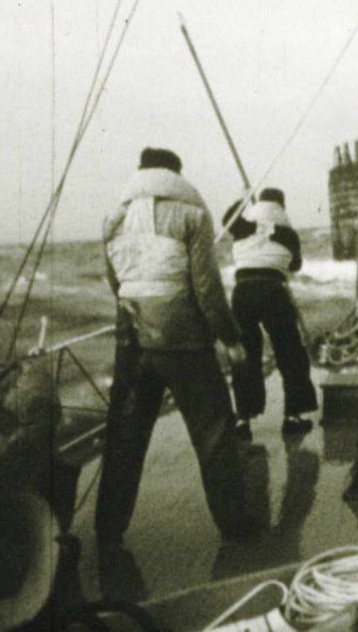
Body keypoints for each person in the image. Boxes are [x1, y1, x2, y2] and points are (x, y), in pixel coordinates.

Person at [96, 147, 258, 558]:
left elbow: (116, 284)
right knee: (214, 432)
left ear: (140, 171)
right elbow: (206, 289)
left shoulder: (113, 220)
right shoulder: (192, 215)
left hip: (131, 339)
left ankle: (108, 532)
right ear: (176, 174)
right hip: (184, 343)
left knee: (125, 436)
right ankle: (234, 526)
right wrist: (231, 338)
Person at [222, 188, 318, 439]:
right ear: (281, 207)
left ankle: (243, 420)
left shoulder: (243, 226)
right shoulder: (288, 234)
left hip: (243, 291)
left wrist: (243, 199)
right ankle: (293, 416)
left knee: (245, 354)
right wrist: (271, 237)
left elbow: (227, 219)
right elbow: (295, 265)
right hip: (273, 289)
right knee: (290, 353)